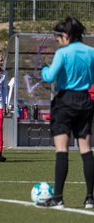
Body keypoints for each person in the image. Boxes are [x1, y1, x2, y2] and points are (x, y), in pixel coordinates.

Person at [39, 16, 94, 208]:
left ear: (66, 35)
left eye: (57, 36)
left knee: (62, 150)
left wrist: (44, 69)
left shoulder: (63, 53)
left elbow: (50, 77)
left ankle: (58, 198)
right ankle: (89, 198)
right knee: (86, 150)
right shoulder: (91, 52)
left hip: (65, 101)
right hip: (85, 100)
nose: (56, 40)